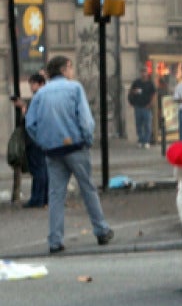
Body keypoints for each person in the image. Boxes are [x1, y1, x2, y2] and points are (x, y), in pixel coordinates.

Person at [25, 56, 114, 254]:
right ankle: (101, 229)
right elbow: (85, 120)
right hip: (75, 146)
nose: (72, 72)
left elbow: (30, 124)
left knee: (56, 195)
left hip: (52, 150)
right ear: (65, 69)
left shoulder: (40, 95)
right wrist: (87, 139)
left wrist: (43, 141)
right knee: (88, 188)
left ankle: (55, 240)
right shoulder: (74, 88)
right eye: (71, 68)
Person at [15, 73, 48, 208]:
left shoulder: (39, 98)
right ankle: (42, 198)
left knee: (38, 169)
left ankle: (38, 198)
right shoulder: (45, 97)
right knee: (42, 168)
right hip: (43, 138)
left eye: (33, 84)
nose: (31, 87)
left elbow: (31, 120)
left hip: (35, 139)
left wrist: (24, 111)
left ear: (40, 84)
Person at [128, 70, 157, 149]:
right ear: (141, 74)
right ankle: (141, 140)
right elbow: (130, 92)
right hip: (138, 106)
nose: (144, 74)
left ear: (147, 74)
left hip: (146, 107)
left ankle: (147, 141)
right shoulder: (136, 82)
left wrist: (150, 104)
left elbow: (154, 94)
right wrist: (135, 91)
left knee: (147, 124)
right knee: (139, 124)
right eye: (142, 72)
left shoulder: (150, 83)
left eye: (145, 72)